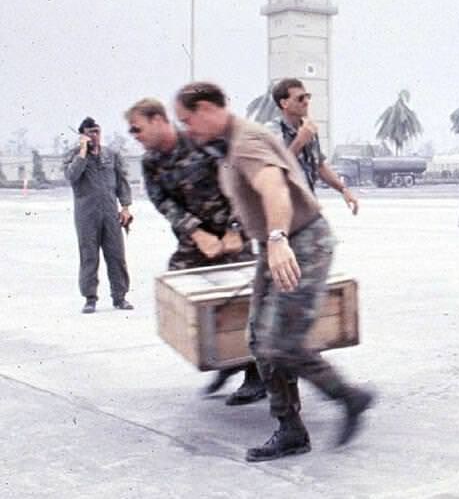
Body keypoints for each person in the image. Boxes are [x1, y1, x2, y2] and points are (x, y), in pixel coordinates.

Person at [174, 82, 373, 462]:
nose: (187, 129)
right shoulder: (229, 145)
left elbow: (273, 188)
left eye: (187, 120)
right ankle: (291, 430)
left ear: (205, 109)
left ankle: (350, 398)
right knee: (258, 340)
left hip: (302, 242)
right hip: (275, 246)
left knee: (281, 342)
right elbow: (248, 198)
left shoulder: (246, 140)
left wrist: (278, 238)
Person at [126, 97, 266, 406]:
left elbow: (241, 184)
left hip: (233, 233)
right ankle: (227, 359)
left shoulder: (202, 142)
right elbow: (164, 202)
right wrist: (197, 233)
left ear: (159, 120)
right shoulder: (151, 162)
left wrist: (234, 230)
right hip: (195, 240)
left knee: (244, 301)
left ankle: (255, 374)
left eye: (137, 128)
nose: (134, 136)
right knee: (180, 288)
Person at [62, 116, 133, 313]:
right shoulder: (73, 155)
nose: (95, 135)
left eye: (97, 131)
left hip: (110, 213)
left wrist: (125, 207)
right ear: (82, 135)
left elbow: (122, 182)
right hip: (87, 215)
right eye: (90, 132)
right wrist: (83, 153)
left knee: (116, 255)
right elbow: (71, 176)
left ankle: (120, 297)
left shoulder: (111, 155)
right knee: (89, 256)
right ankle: (90, 298)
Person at [269, 78, 359, 213]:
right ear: (284, 103)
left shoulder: (308, 128)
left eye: (307, 97)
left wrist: (343, 189)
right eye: (300, 98)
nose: (306, 102)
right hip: (283, 210)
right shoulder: (273, 130)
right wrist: (300, 140)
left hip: (307, 206)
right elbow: (277, 168)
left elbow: (320, 166)